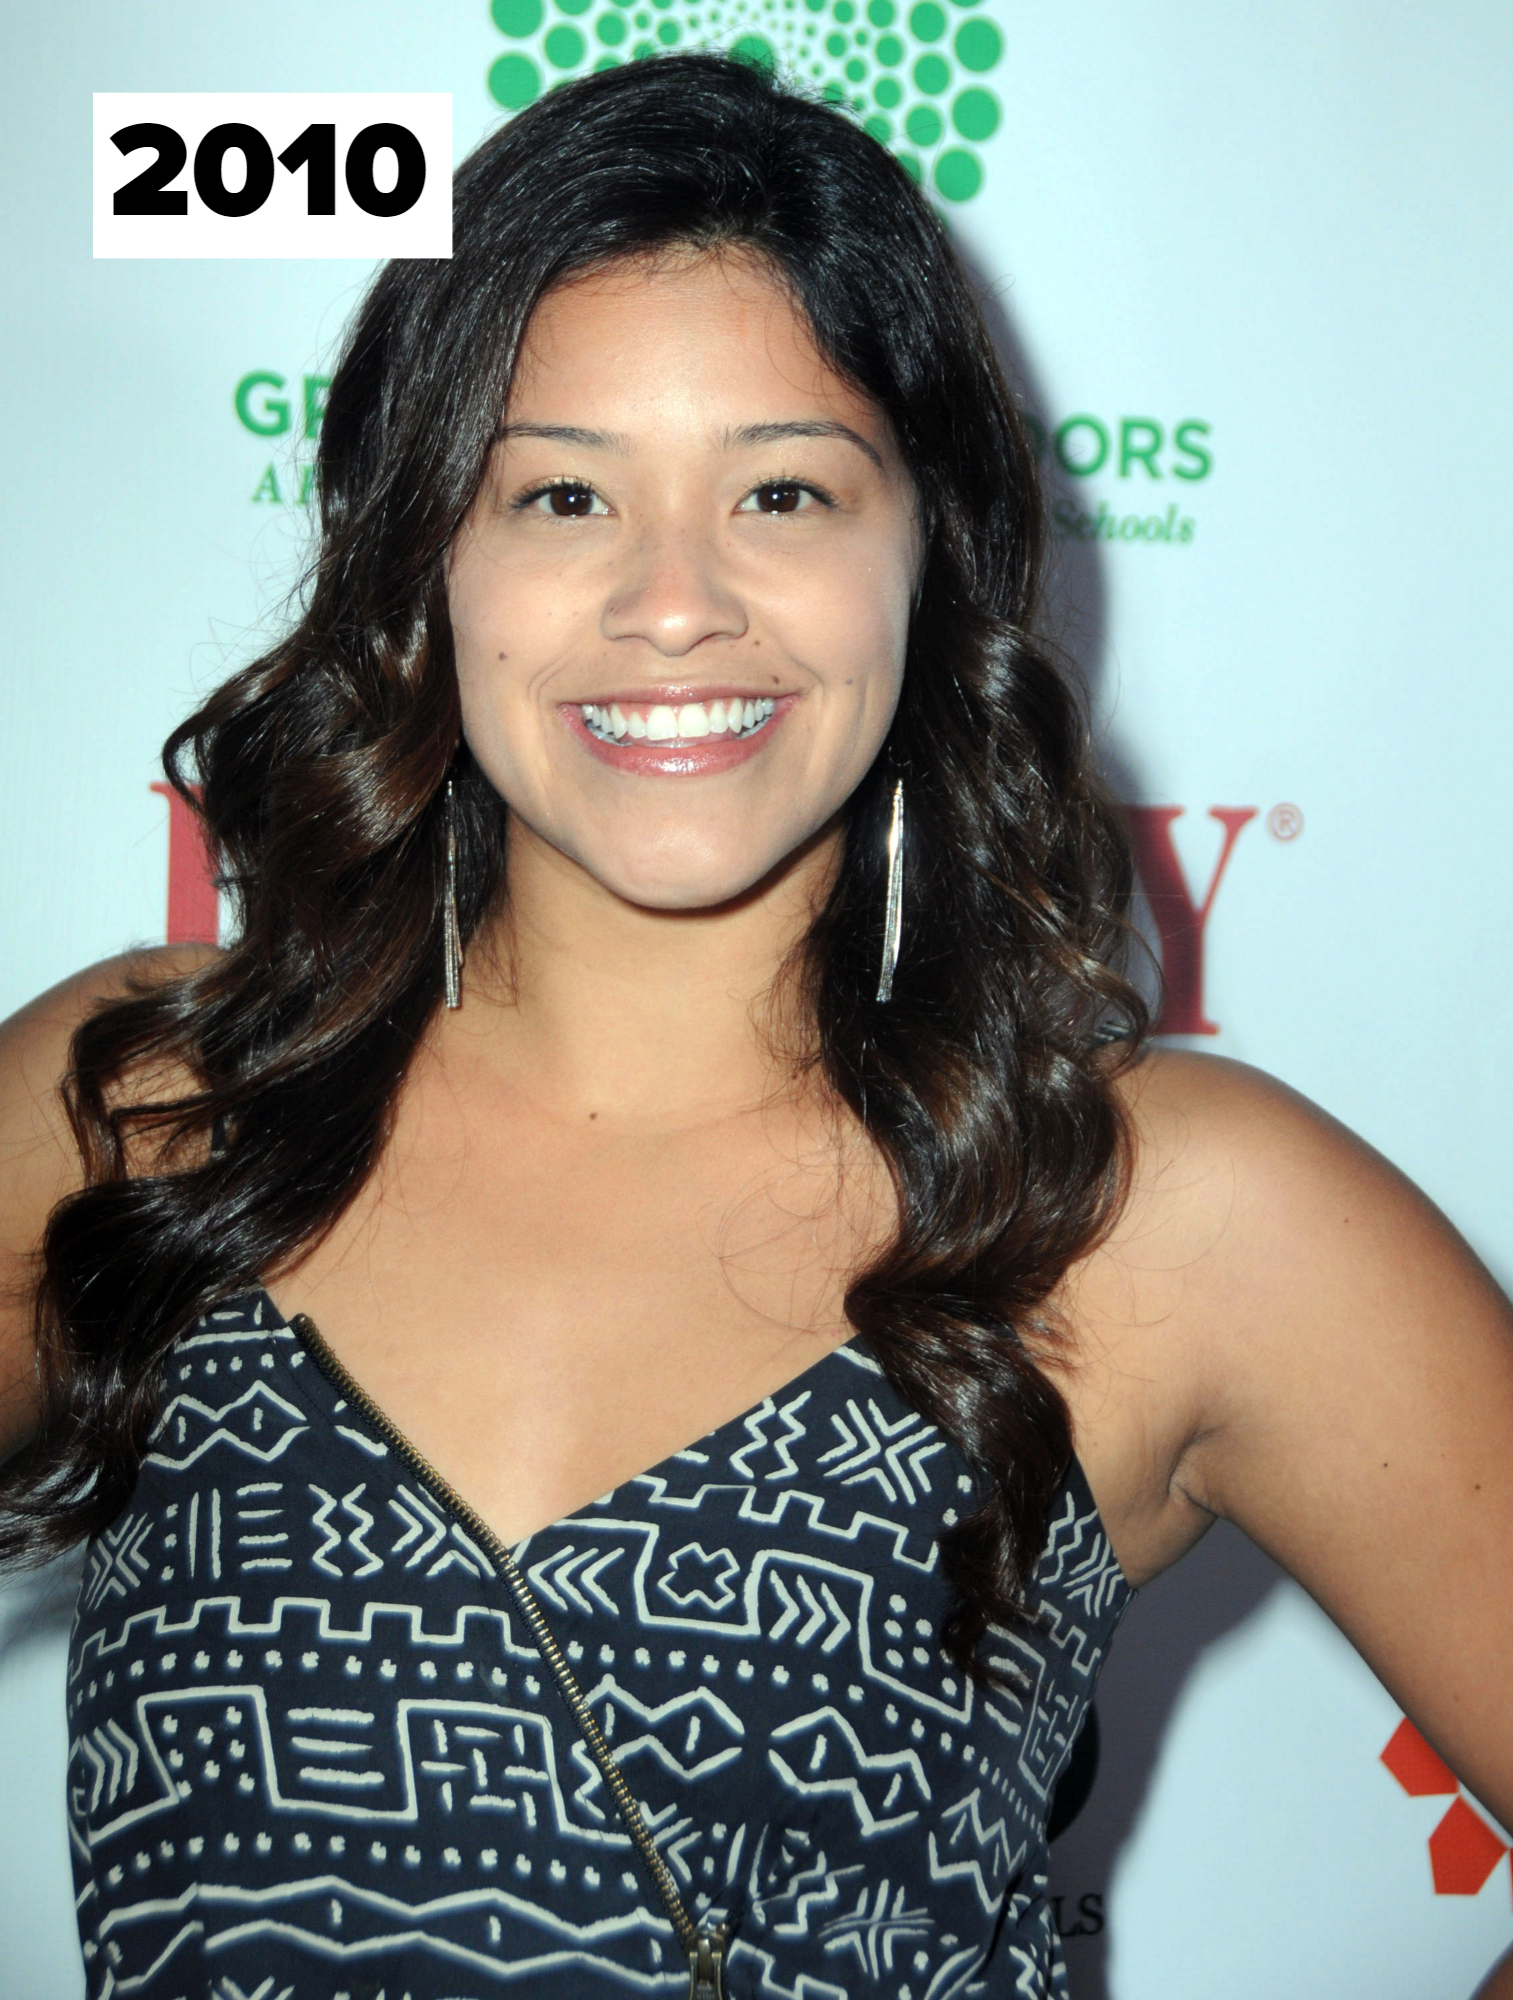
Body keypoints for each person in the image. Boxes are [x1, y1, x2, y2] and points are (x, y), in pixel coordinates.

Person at [1, 50, 1508, 2000]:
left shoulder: (1148, 1210)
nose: (672, 601)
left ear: (933, 547)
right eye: (558, 493)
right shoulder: (153, 1106)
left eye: (782, 488)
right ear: (423, 560)